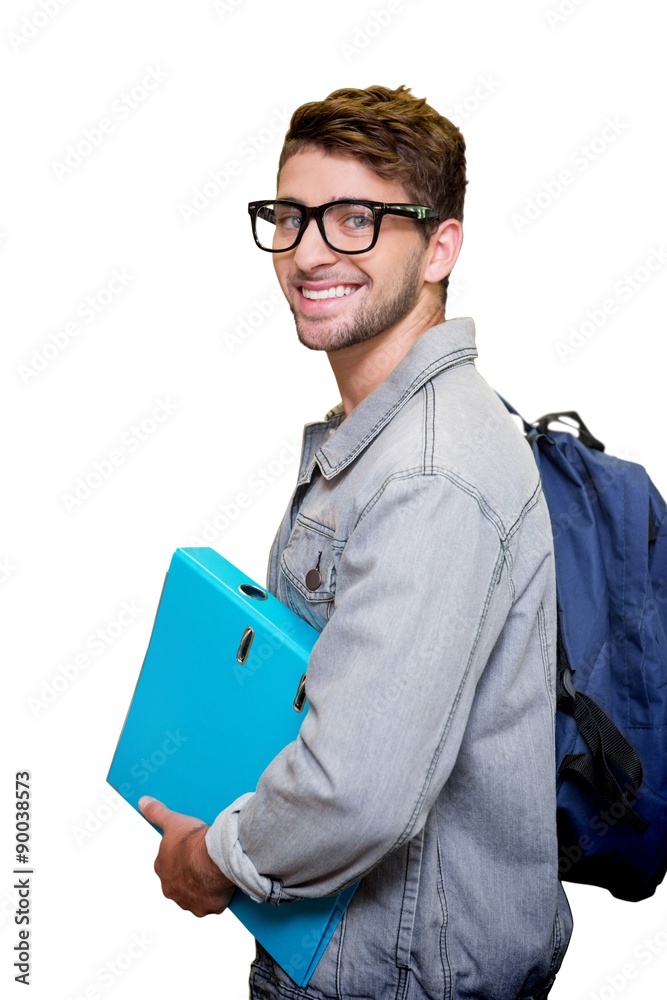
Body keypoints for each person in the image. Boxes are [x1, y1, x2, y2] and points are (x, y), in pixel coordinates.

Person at [139, 84, 573, 1000]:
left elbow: (355, 792)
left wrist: (208, 859)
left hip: (397, 977)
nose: (307, 253)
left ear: (439, 246)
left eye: (355, 221)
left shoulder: (426, 472)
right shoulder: (392, 427)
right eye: (289, 217)